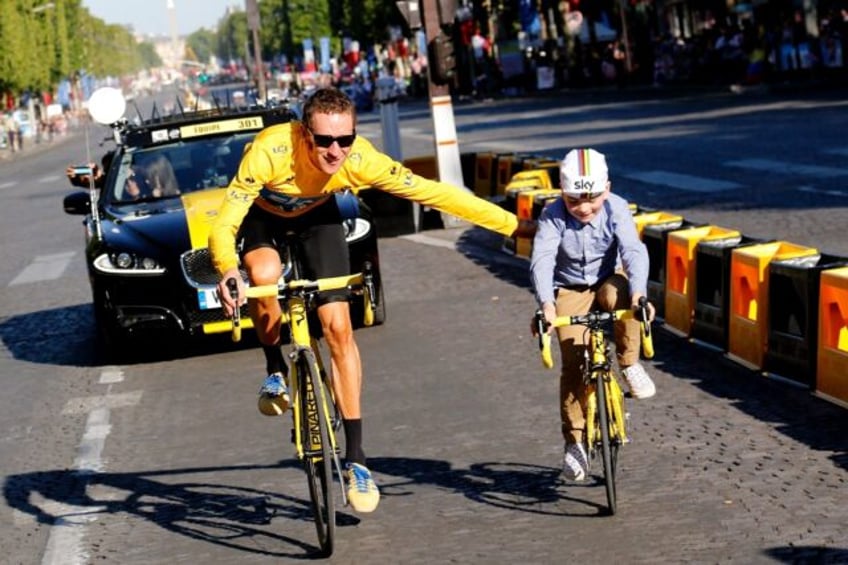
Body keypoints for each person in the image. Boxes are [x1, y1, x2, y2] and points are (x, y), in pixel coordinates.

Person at [208, 87, 533, 514]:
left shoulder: (360, 158)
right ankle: (274, 368)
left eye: (345, 140)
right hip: (264, 218)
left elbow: (433, 193)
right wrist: (226, 267)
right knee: (265, 276)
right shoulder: (271, 149)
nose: (335, 151)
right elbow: (227, 216)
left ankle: (357, 459)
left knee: (339, 329)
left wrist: (514, 226)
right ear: (305, 134)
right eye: (324, 140)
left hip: (318, 218)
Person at [529, 148, 656, 482]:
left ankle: (629, 364)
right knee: (572, 364)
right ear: (562, 193)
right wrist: (547, 305)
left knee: (624, 296)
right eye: (574, 201)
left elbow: (632, 249)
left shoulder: (617, 208)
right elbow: (542, 259)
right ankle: (574, 443)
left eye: (592, 199)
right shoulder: (552, 215)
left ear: (608, 189)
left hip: (607, 281)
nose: (584, 208)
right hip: (569, 289)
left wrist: (641, 293)